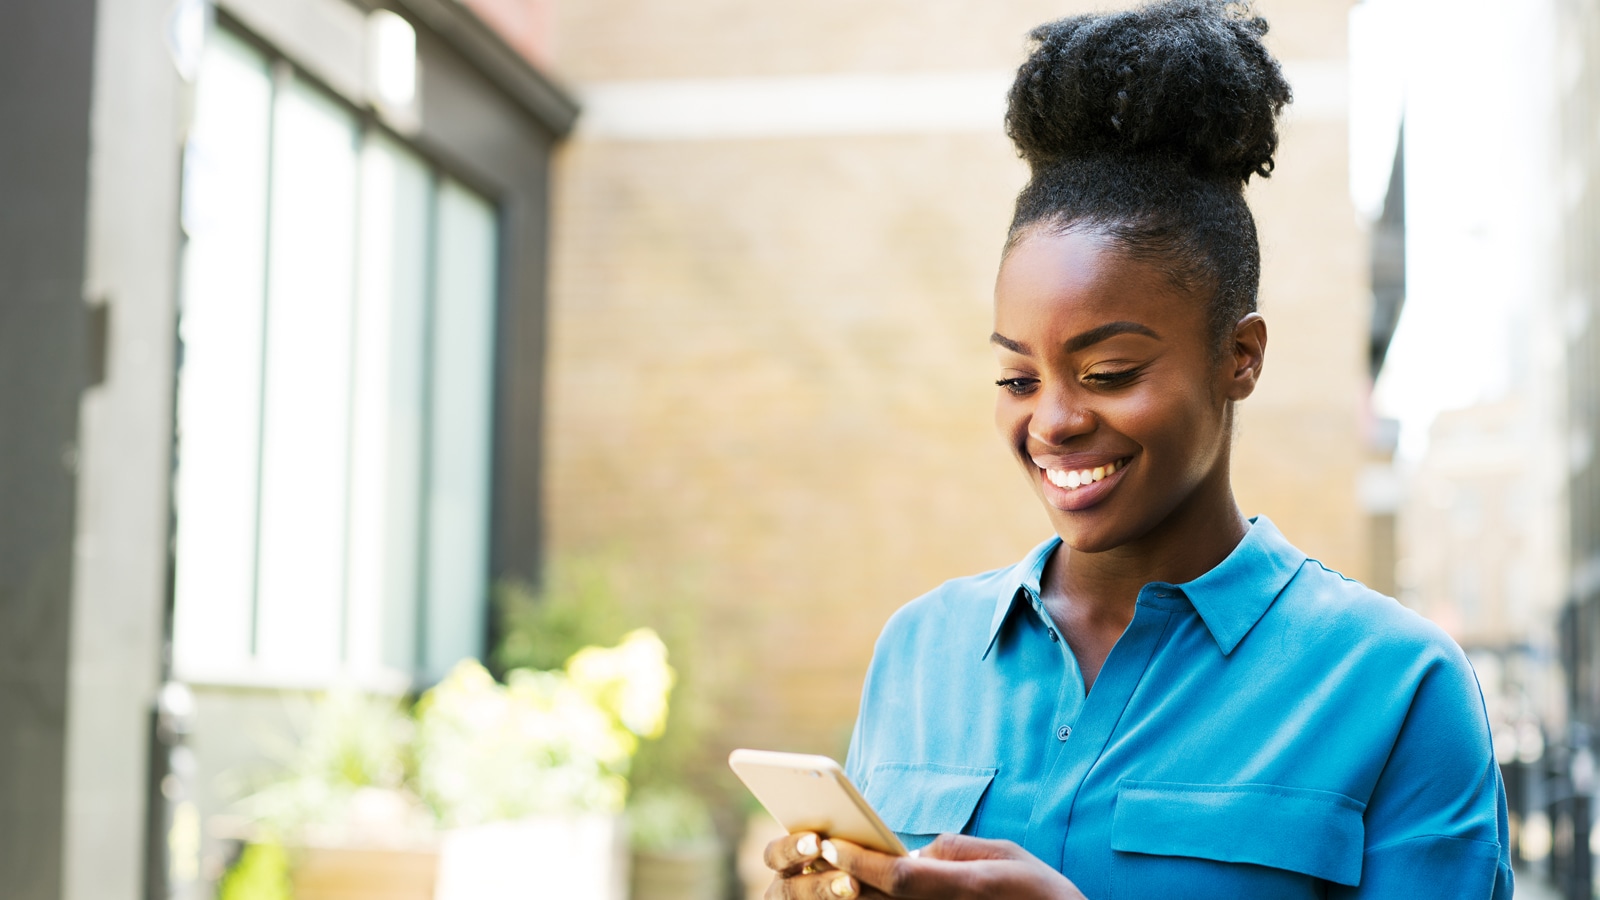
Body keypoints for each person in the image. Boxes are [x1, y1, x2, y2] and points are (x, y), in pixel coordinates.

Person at [761, 1, 1514, 898]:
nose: (1052, 421)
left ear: (1240, 357)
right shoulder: (921, 652)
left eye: (1110, 371)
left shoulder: (1396, 684)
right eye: (1017, 380)